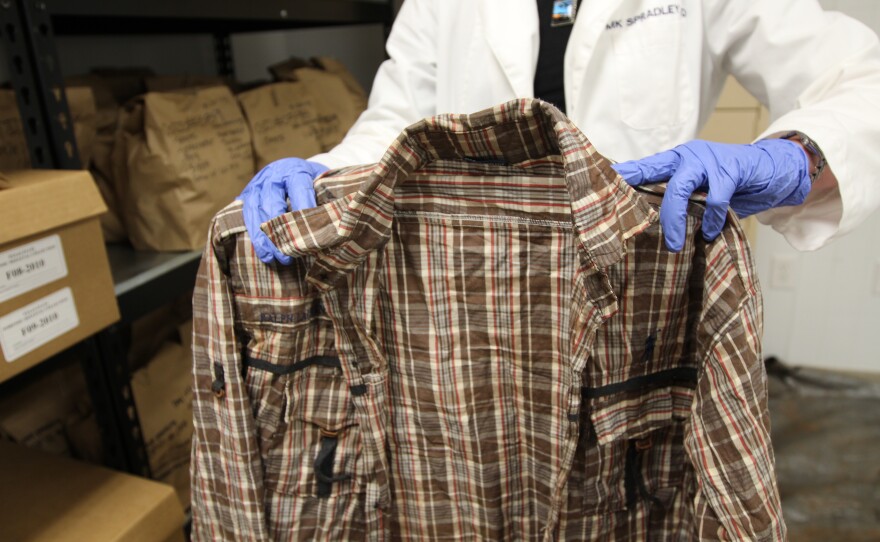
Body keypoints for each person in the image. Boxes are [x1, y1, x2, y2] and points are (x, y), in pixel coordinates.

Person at [240, 0, 880, 264]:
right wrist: (325, 173)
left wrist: (797, 158)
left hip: (639, 280)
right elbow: (395, 118)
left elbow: (862, 75)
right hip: (469, 285)